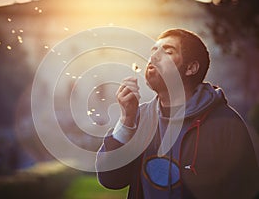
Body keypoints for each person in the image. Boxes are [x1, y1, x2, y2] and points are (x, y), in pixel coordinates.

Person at [96, 29, 259, 199]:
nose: (153, 57)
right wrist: (126, 121)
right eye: (153, 51)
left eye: (167, 52)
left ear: (191, 68)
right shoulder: (138, 117)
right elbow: (111, 180)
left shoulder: (226, 124)